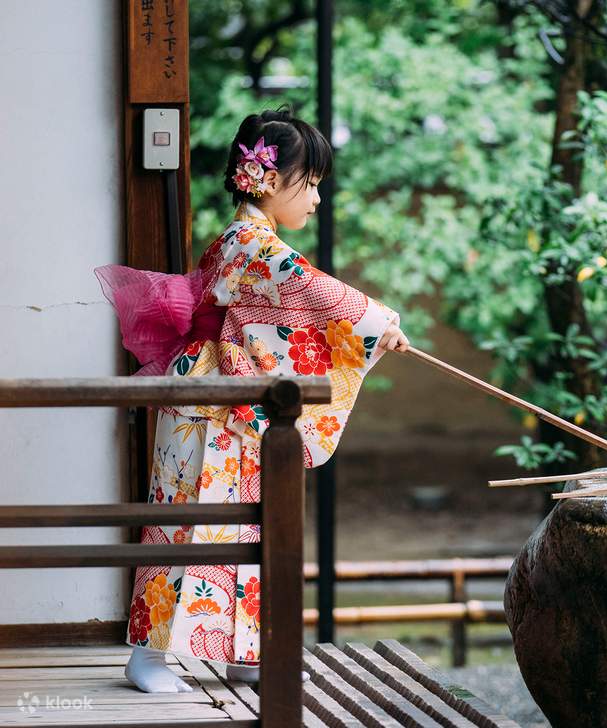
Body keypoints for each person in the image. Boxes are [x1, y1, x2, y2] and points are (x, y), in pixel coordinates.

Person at [96, 109, 409, 692]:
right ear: (269, 179)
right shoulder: (251, 245)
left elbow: (291, 305)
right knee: (186, 524)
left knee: (245, 528)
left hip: (229, 401)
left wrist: (373, 325)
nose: (316, 199)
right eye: (310, 183)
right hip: (207, 402)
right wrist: (379, 322)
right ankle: (147, 657)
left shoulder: (249, 243)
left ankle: (244, 651)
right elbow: (311, 289)